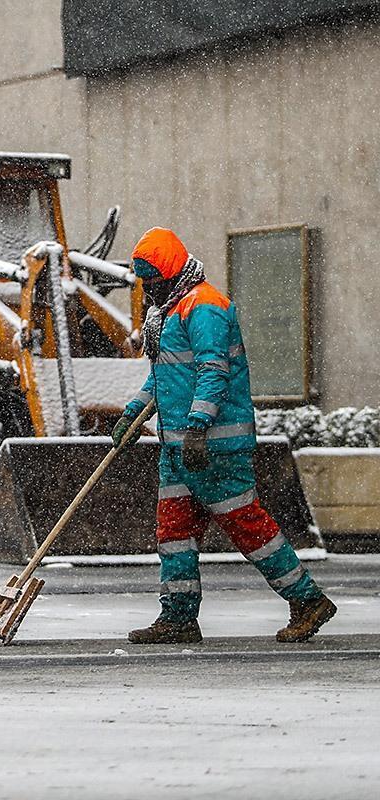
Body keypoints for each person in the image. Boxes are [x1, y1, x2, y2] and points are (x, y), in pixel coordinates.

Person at [110, 227, 335, 644]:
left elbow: (213, 371)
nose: (149, 290)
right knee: (174, 532)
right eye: (144, 282)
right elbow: (164, 378)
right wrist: (131, 414)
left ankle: (306, 599)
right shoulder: (165, 311)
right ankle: (178, 617)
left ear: (171, 273)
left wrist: (197, 426)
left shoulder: (205, 307)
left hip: (215, 446)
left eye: (154, 281)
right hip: (177, 448)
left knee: (245, 524)